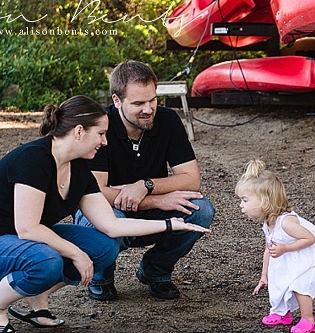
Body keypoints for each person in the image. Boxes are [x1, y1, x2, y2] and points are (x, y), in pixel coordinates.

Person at [0, 96, 210, 333]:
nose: (105, 142)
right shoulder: (33, 159)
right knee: (47, 259)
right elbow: (28, 227)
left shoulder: (78, 169)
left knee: (104, 246)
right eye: (100, 134)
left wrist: (170, 224)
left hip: (25, 244)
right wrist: (76, 253)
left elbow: (112, 225)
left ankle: (38, 298)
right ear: (78, 131)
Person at [74, 60, 215, 300]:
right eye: (138, 103)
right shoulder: (100, 127)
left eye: (152, 100)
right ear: (117, 101)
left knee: (201, 209)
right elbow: (94, 192)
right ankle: (101, 276)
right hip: (106, 211)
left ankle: (155, 271)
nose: (148, 109)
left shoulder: (168, 120)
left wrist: (145, 186)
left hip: (140, 208)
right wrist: (157, 201)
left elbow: (191, 179)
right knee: (105, 220)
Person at [236, 160, 315, 333]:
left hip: (310, 257)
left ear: (265, 202)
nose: (241, 205)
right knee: (278, 281)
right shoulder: (268, 223)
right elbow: (269, 248)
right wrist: (264, 275)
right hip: (291, 255)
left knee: (300, 285)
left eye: (245, 200)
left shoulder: (286, 222)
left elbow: (309, 238)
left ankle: (308, 319)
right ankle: (282, 314)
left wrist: (284, 248)